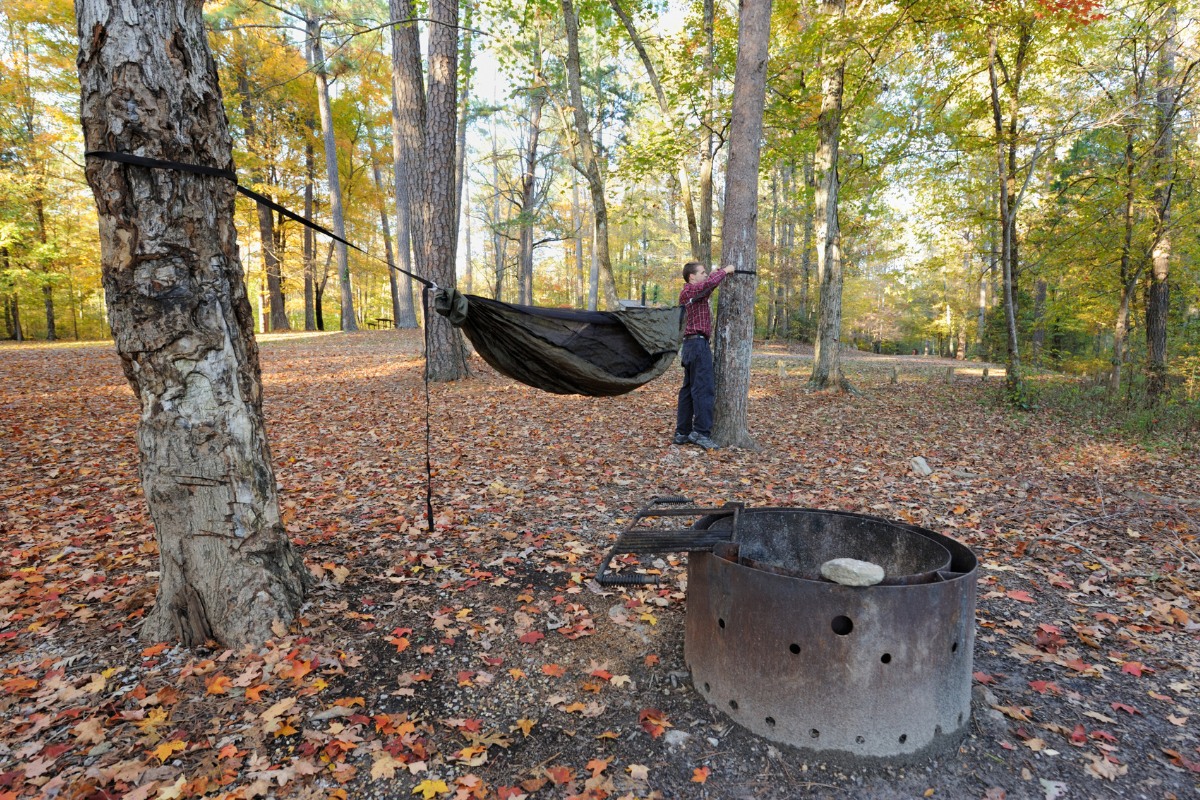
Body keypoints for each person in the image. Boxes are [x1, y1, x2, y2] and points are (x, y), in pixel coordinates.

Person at [674, 261, 735, 449]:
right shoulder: (690, 291)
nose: (705, 274)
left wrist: (717, 273)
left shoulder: (692, 293)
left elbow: (707, 285)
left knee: (689, 389)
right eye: (702, 272)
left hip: (691, 345)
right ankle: (700, 433)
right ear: (692, 277)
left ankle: (682, 432)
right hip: (697, 344)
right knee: (703, 389)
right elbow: (708, 285)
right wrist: (725, 271)